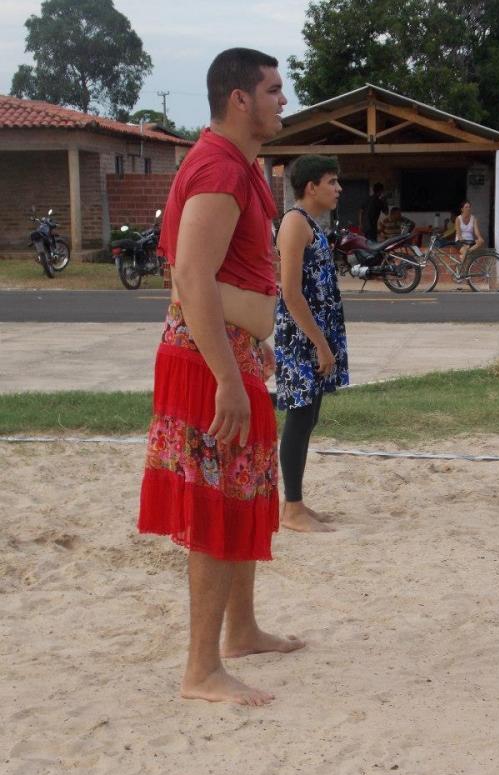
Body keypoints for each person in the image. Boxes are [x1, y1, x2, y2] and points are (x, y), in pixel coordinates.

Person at [137, 48, 304, 707]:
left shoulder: (241, 165)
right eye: (272, 89)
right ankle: (201, 669)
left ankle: (242, 630)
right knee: (215, 503)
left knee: (244, 491)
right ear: (240, 98)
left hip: (233, 353)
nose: (282, 99)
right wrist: (227, 379)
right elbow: (189, 276)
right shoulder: (216, 166)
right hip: (211, 360)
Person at [275, 155, 349, 532]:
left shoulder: (310, 224)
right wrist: (320, 344)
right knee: (300, 418)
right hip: (302, 338)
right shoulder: (293, 223)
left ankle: (297, 502)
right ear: (311, 187)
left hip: (314, 335)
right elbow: (290, 293)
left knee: (309, 417)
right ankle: (291, 509)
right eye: (332, 181)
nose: (338, 189)